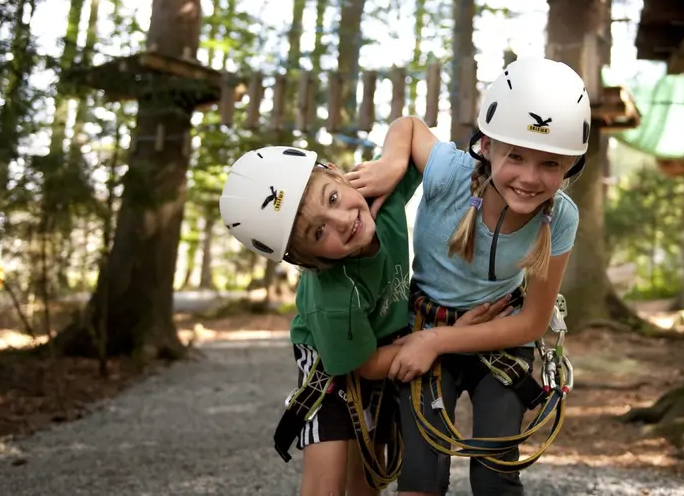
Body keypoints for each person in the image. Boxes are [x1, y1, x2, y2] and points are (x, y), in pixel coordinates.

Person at [345, 57, 588, 496]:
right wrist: (392, 163)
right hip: (428, 320)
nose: (530, 178)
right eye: (515, 156)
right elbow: (410, 126)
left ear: (571, 163)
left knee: (495, 475)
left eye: (550, 164)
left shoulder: (561, 218)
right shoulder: (450, 176)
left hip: (497, 337)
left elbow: (533, 322)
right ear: (487, 145)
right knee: (422, 476)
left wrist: (436, 341)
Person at [219, 145, 510, 496]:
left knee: (369, 472)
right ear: (306, 260)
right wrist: (442, 339)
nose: (343, 221)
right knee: (325, 482)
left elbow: (412, 132)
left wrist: (392, 161)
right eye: (318, 232)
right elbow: (366, 365)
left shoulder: (378, 202)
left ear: (338, 174)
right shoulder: (333, 299)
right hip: (332, 358)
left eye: (332, 198)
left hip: (385, 340)